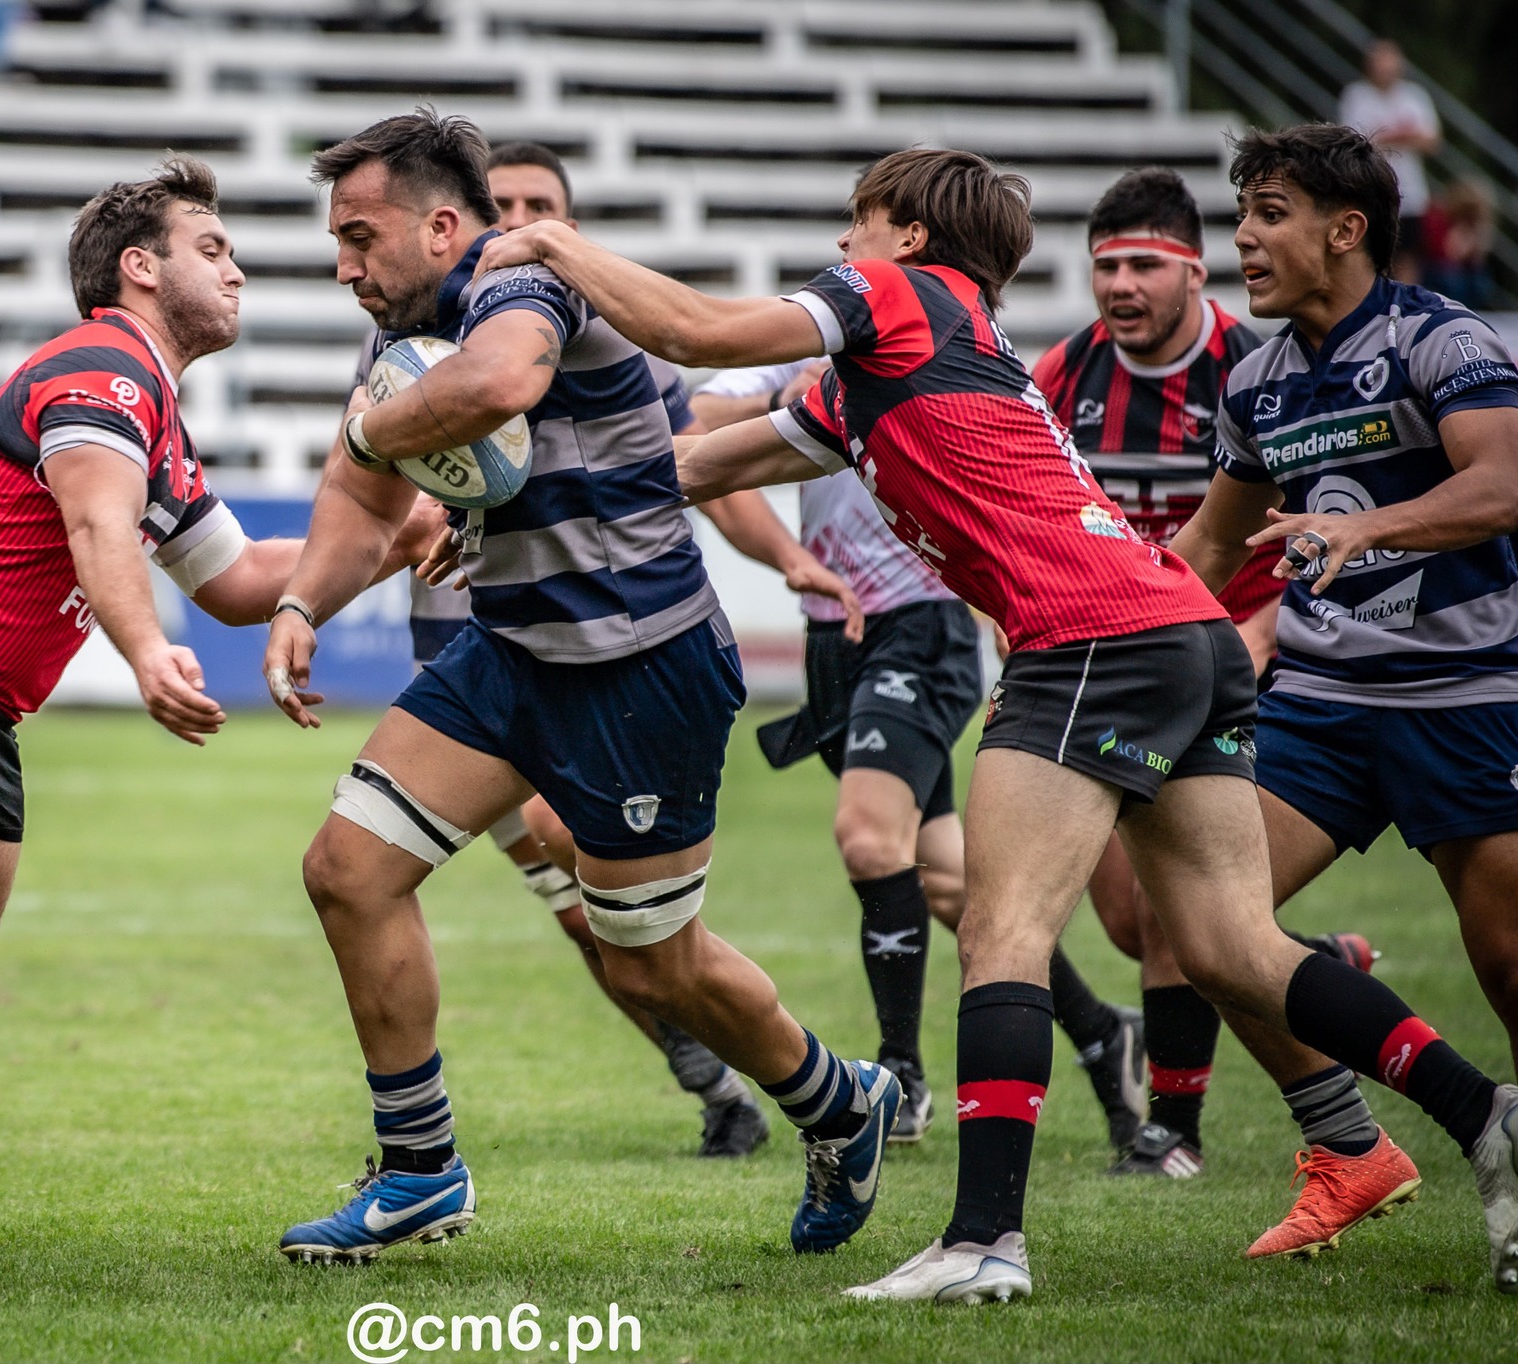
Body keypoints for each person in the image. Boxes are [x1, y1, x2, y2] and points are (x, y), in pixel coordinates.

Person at [481, 143, 1518, 1303]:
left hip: (1088, 634)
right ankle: (1485, 1114)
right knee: (1229, 945)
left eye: (854, 220)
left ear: (910, 238)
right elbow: (689, 465)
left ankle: (983, 1239)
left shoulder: (898, 295)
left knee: (1001, 927)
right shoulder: (913, 354)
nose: (840, 245)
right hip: (1180, 626)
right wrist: (498, 505)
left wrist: (551, 245)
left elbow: (702, 334)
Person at [0, 157, 441, 1270]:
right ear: (138, 269)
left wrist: (392, 540)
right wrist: (147, 650)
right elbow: (101, 531)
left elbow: (241, 580)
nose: (236, 266)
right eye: (212, 246)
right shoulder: (102, 364)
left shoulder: (154, 416)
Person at [263, 109, 900, 1266]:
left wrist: (373, 436)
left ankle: (839, 1101)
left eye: (359, 235)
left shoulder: (523, 289)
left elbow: (495, 388)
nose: (340, 261)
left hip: (636, 670)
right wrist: (306, 600)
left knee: (651, 960)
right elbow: (363, 497)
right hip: (509, 657)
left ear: (443, 225)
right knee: (346, 870)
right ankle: (418, 1170)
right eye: (335, 239)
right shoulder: (398, 340)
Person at [393, 139, 866, 1160]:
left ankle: (777, 1081)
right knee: (376, 867)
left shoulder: (590, 318)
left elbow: (686, 457)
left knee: (614, 915)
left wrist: (784, 552)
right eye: (503, 205)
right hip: (478, 645)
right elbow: (391, 481)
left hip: (615, 648)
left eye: (541, 210)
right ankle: (426, 1159)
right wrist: (314, 591)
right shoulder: (416, 320)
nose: (516, 226)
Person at [1170, 122, 1518, 1264]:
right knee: (1213, 935)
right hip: (1317, 707)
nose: (1244, 242)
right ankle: (1348, 1147)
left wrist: (1365, 524)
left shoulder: (1438, 336)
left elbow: (1501, 483)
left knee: (1507, 962)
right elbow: (1209, 548)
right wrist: (1079, 625)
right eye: (1240, 218)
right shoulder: (1257, 377)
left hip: (1465, 696)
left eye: (1267, 215)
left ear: (1344, 228)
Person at [693, 359, 1146, 1152]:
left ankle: (900, 1078)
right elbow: (696, 416)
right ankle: (1106, 1036)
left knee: (869, 840)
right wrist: (782, 395)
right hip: (836, 634)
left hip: (922, 624)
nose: (848, 254)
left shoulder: (931, 353)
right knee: (952, 886)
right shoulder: (803, 350)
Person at [1031, 166, 1378, 1181]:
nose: (1119, 285)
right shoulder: (1063, 374)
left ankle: (1170, 1130)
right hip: (1110, 657)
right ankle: (1307, 963)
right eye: (1104, 267)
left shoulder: (1252, 368)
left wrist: (1267, 624)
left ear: (1192, 271)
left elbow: (1327, 526)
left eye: (1143, 263)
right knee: (1127, 912)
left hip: (1243, 662)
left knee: (1177, 911)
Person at [1339, 38, 1439, 285]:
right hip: (1372, 189)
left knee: (1408, 255)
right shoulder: (1357, 96)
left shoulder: (1414, 95)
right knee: (1374, 252)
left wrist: (1389, 137)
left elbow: (1432, 141)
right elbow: (1355, 142)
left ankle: (1406, 309)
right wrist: (1403, 136)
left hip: (1411, 193)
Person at [1423, 179, 1494, 311]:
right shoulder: (1440, 218)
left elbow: (1477, 260)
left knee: (1480, 282)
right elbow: (1449, 253)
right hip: (1437, 268)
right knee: (1452, 283)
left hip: (1461, 270)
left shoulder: (1475, 226)